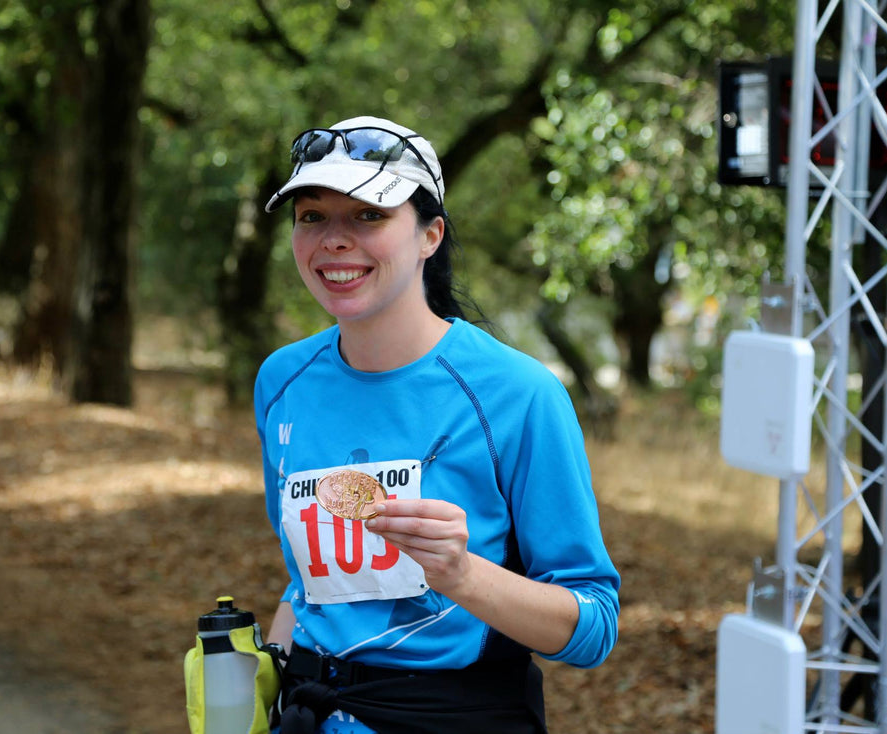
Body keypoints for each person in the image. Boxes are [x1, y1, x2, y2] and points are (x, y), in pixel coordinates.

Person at [253, 115, 620, 734]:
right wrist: (261, 689)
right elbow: (306, 589)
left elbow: (593, 628)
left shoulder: (520, 394)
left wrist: (463, 574)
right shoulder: (282, 382)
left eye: (370, 214)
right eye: (312, 216)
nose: (334, 240)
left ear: (431, 235)